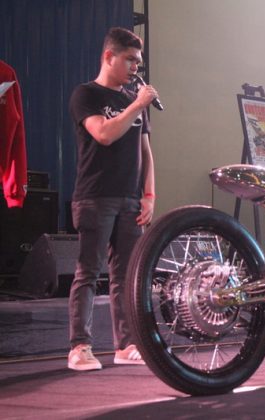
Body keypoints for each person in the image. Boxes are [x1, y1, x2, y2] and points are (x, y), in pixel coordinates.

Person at [67, 27, 158, 371]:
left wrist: (149, 195)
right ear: (109, 56)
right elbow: (104, 134)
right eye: (130, 59)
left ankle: (126, 344)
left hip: (130, 200)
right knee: (88, 273)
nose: (135, 67)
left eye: (138, 61)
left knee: (126, 276)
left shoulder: (134, 102)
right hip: (95, 197)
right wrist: (137, 104)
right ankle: (80, 347)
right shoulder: (86, 94)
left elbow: (146, 152)